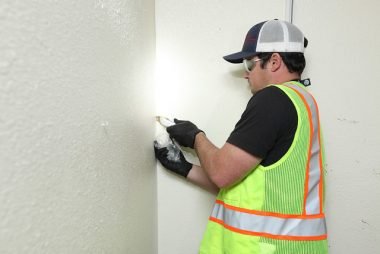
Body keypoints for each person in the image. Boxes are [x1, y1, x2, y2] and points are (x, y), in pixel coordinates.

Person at [154, 19, 328, 254]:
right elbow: (246, 189)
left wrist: (196, 137)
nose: (246, 74)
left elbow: (222, 173)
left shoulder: (273, 99)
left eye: (249, 63)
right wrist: (185, 168)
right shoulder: (303, 102)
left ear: (274, 61)